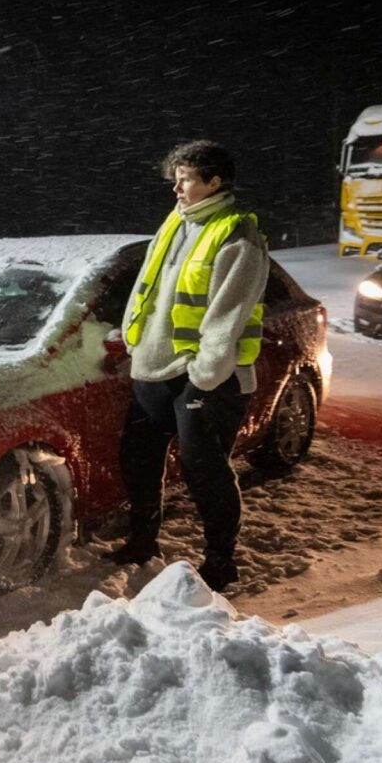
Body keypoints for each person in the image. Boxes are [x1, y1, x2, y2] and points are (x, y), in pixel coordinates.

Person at [108, 140, 268, 592]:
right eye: (175, 179)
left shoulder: (237, 235)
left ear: (214, 182)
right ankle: (143, 541)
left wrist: (203, 374)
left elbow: (227, 315)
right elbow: (147, 286)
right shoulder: (176, 222)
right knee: (138, 457)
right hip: (154, 367)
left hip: (205, 376)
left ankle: (221, 561)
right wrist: (133, 340)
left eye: (186, 179)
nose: (176, 188)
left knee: (204, 469)